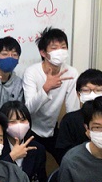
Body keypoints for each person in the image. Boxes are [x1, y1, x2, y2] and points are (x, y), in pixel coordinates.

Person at [22, 27, 80, 162]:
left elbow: (73, 109)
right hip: (31, 129)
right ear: (43, 52)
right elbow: (28, 109)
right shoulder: (32, 72)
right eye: (54, 48)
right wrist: (46, 88)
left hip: (52, 129)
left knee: (70, 160)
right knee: (35, 163)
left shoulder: (71, 72)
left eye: (63, 47)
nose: (60, 51)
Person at [0, 101, 46, 182]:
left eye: (23, 120)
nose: (19, 125)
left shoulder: (38, 149)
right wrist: (11, 157)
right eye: (12, 122)